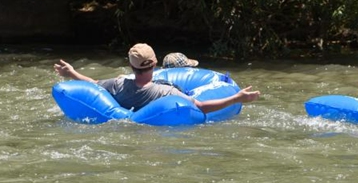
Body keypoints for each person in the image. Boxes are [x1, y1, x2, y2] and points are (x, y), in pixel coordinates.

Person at [54, 43, 260, 113]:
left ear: (130, 66)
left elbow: (93, 85)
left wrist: (71, 73)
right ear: (155, 64)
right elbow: (200, 107)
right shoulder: (165, 92)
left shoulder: (118, 84)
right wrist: (236, 98)